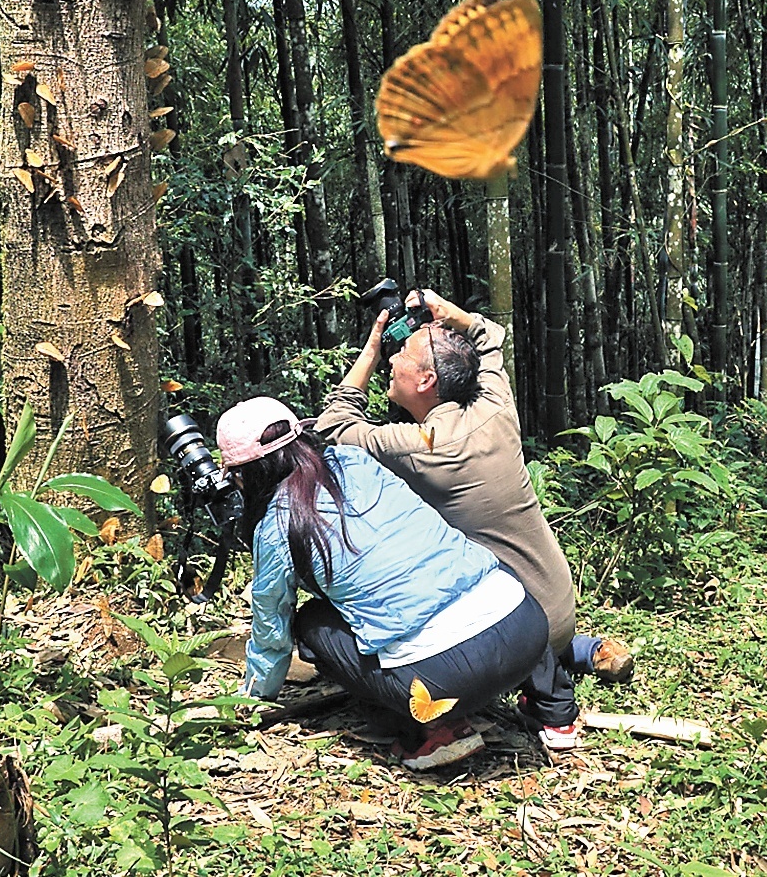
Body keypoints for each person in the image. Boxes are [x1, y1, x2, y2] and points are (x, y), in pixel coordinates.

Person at [315, 289, 633, 751]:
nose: (389, 360)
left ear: (425, 380)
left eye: (399, 355)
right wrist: (453, 315)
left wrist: (368, 349)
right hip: (559, 595)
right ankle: (580, 652)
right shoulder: (495, 406)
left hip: (516, 625)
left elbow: (331, 427)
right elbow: (490, 339)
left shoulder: (418, 444)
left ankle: (547, 683)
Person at [216, 395, 551, 770]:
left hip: (444, 683)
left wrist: (249, 702)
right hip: (526, 626)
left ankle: (439, 732)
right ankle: (554, 711)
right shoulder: (354, 461)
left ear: (248, 474)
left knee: (310, 622)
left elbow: (271, 634)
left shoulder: (277, 527)